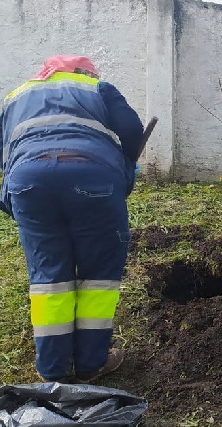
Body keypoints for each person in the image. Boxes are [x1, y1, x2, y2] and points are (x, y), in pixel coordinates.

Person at [0, 55, 144, 382]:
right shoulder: (99, 88)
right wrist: (124, 168)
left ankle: (53, 369)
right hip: (92, 179)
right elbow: (132, 131)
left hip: (29, 183)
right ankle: (91, 363)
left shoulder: (17, 95)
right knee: (97, 276)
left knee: (49, 277)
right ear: (83, 72)